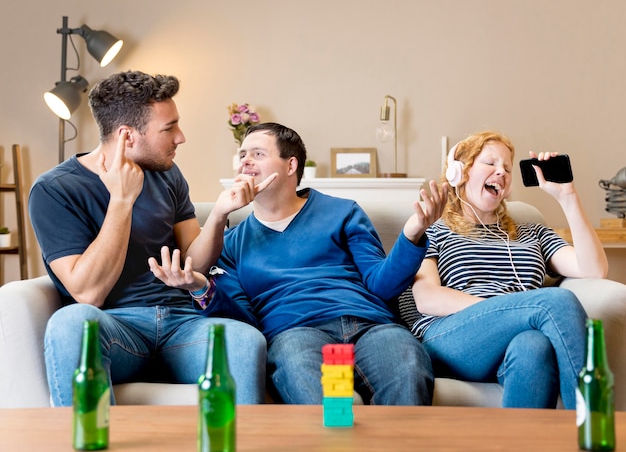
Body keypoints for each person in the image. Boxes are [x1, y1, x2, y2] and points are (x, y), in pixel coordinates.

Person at [29, 70, 274, 406]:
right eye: (169, 128)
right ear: (128, 136)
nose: (181, 137)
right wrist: (121, 200)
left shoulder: (167, 174)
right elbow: (88, 292)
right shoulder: (55, 190)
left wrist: (218, 214)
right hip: (116, 328)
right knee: (72, 323)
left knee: (244, 340)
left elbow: (194, 262)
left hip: (182, 325)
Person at [178, 122, 448, 405]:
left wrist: (413, 232)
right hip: (295, 334)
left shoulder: (343, 212)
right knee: (308, 384)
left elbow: (382, 285)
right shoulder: (230, 242)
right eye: (242, 154)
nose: (245, 161)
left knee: (409, 365)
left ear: (290, 164)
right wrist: (202, 288)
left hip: (370, 326)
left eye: (257, 154)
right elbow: (245, 321)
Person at [397, 130, 608, 409]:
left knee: (534, 347)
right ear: (459, 172)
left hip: (515, 337)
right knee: (556, 302)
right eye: (490, 163)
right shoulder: (435, 231)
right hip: (451, 338)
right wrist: (507, 309)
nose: (502, 172)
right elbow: (428, 298)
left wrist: (568, 197)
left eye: (507, 168)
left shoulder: (533, 234)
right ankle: (592, 428)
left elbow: (594, 269)